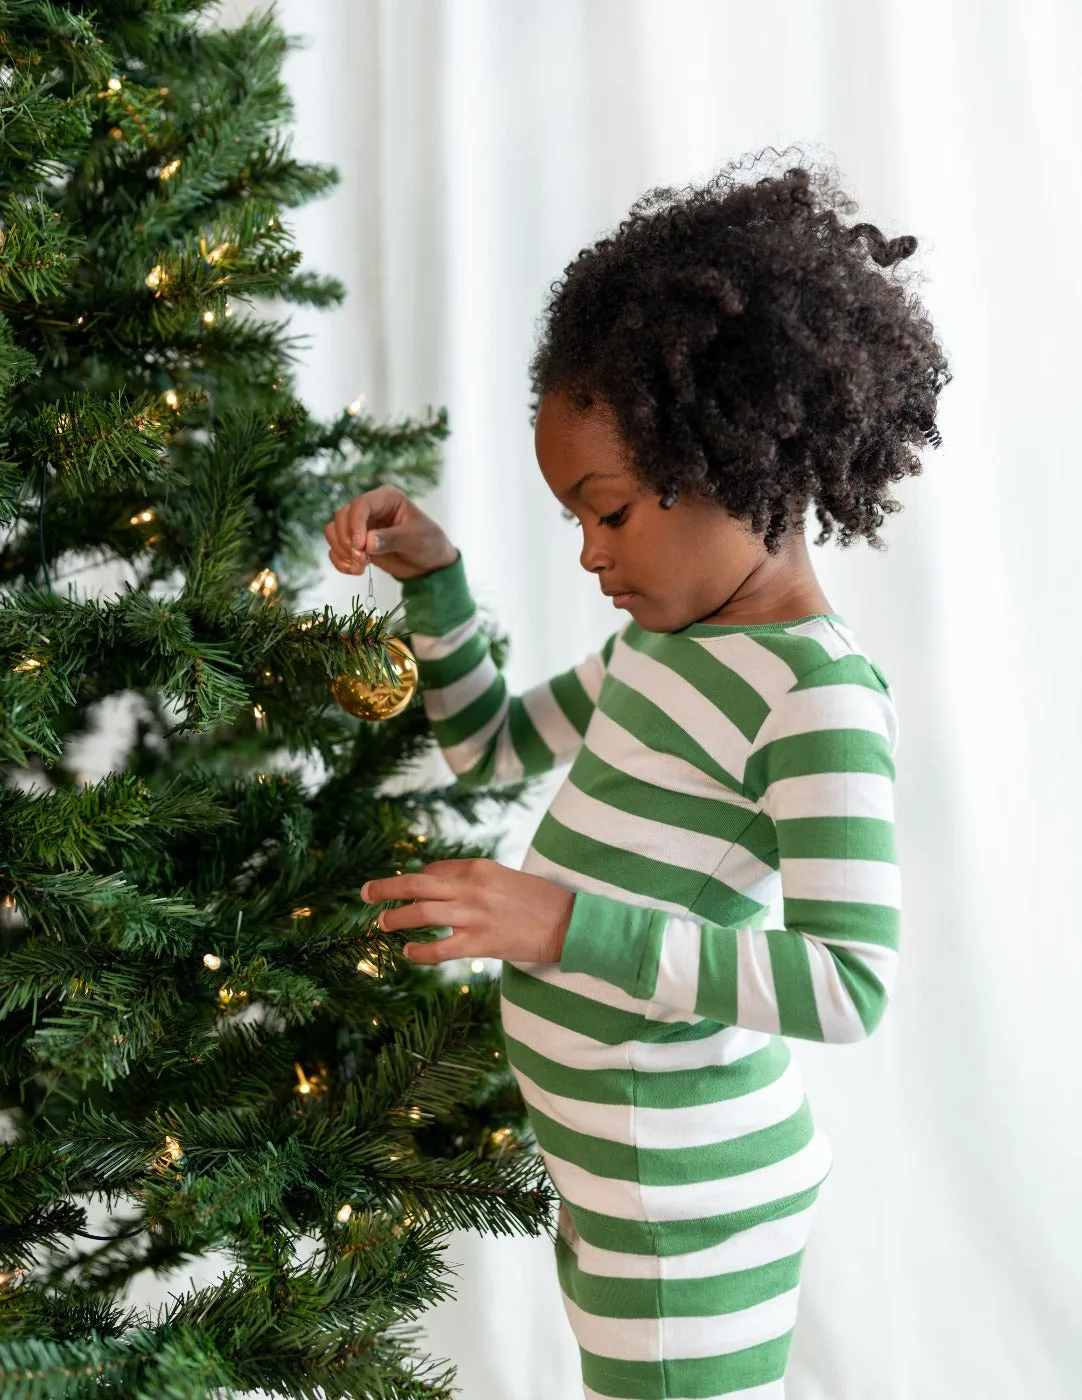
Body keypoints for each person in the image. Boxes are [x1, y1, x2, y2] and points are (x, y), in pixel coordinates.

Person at [324, 152, 950, 1400]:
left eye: (607, 512)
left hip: (688, 1186)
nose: (589, 554)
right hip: (618, 1169)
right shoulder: (660, 649)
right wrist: (436, 579)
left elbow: (846, 984)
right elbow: (490, 745)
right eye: (572, 518)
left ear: (738, 459)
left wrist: (558, 921)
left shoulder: (812, 698)